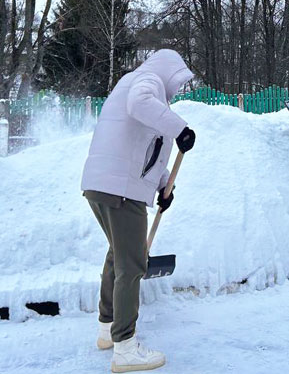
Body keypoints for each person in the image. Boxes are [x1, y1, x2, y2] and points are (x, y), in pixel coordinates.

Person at [80, 48, 196, 372]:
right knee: (132, 265)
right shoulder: (147, 82)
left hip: (101, 185)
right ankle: (126, 348)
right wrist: (181, 129)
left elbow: (141, 149)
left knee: (118, 255)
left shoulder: (131, 82)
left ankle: (108, 329)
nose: (176, 88)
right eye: (177, 80)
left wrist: (162, 186)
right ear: (168, 70)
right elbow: (141, 106)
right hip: (120, 190)